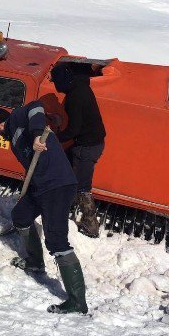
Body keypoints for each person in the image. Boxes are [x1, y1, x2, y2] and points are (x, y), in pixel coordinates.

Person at [0, 102, 88, 315]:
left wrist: (36, 134)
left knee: (56, 240)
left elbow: (35, 107)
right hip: (40, 185)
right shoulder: (14, 142)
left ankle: (77, 300)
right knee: (20, 216)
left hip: (57, 184)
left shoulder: (16, 120)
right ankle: (35, 263)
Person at [50, 62, 106, 238]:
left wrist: (54, 138)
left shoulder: (75, 96)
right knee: (67, 168)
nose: (56, 85)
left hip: (87, 147)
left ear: (64, 79)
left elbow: (74, 130)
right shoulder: (81, 87)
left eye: (56, 81)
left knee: (83, 187)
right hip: (92, 142)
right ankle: (67, 204)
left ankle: (91, 226)